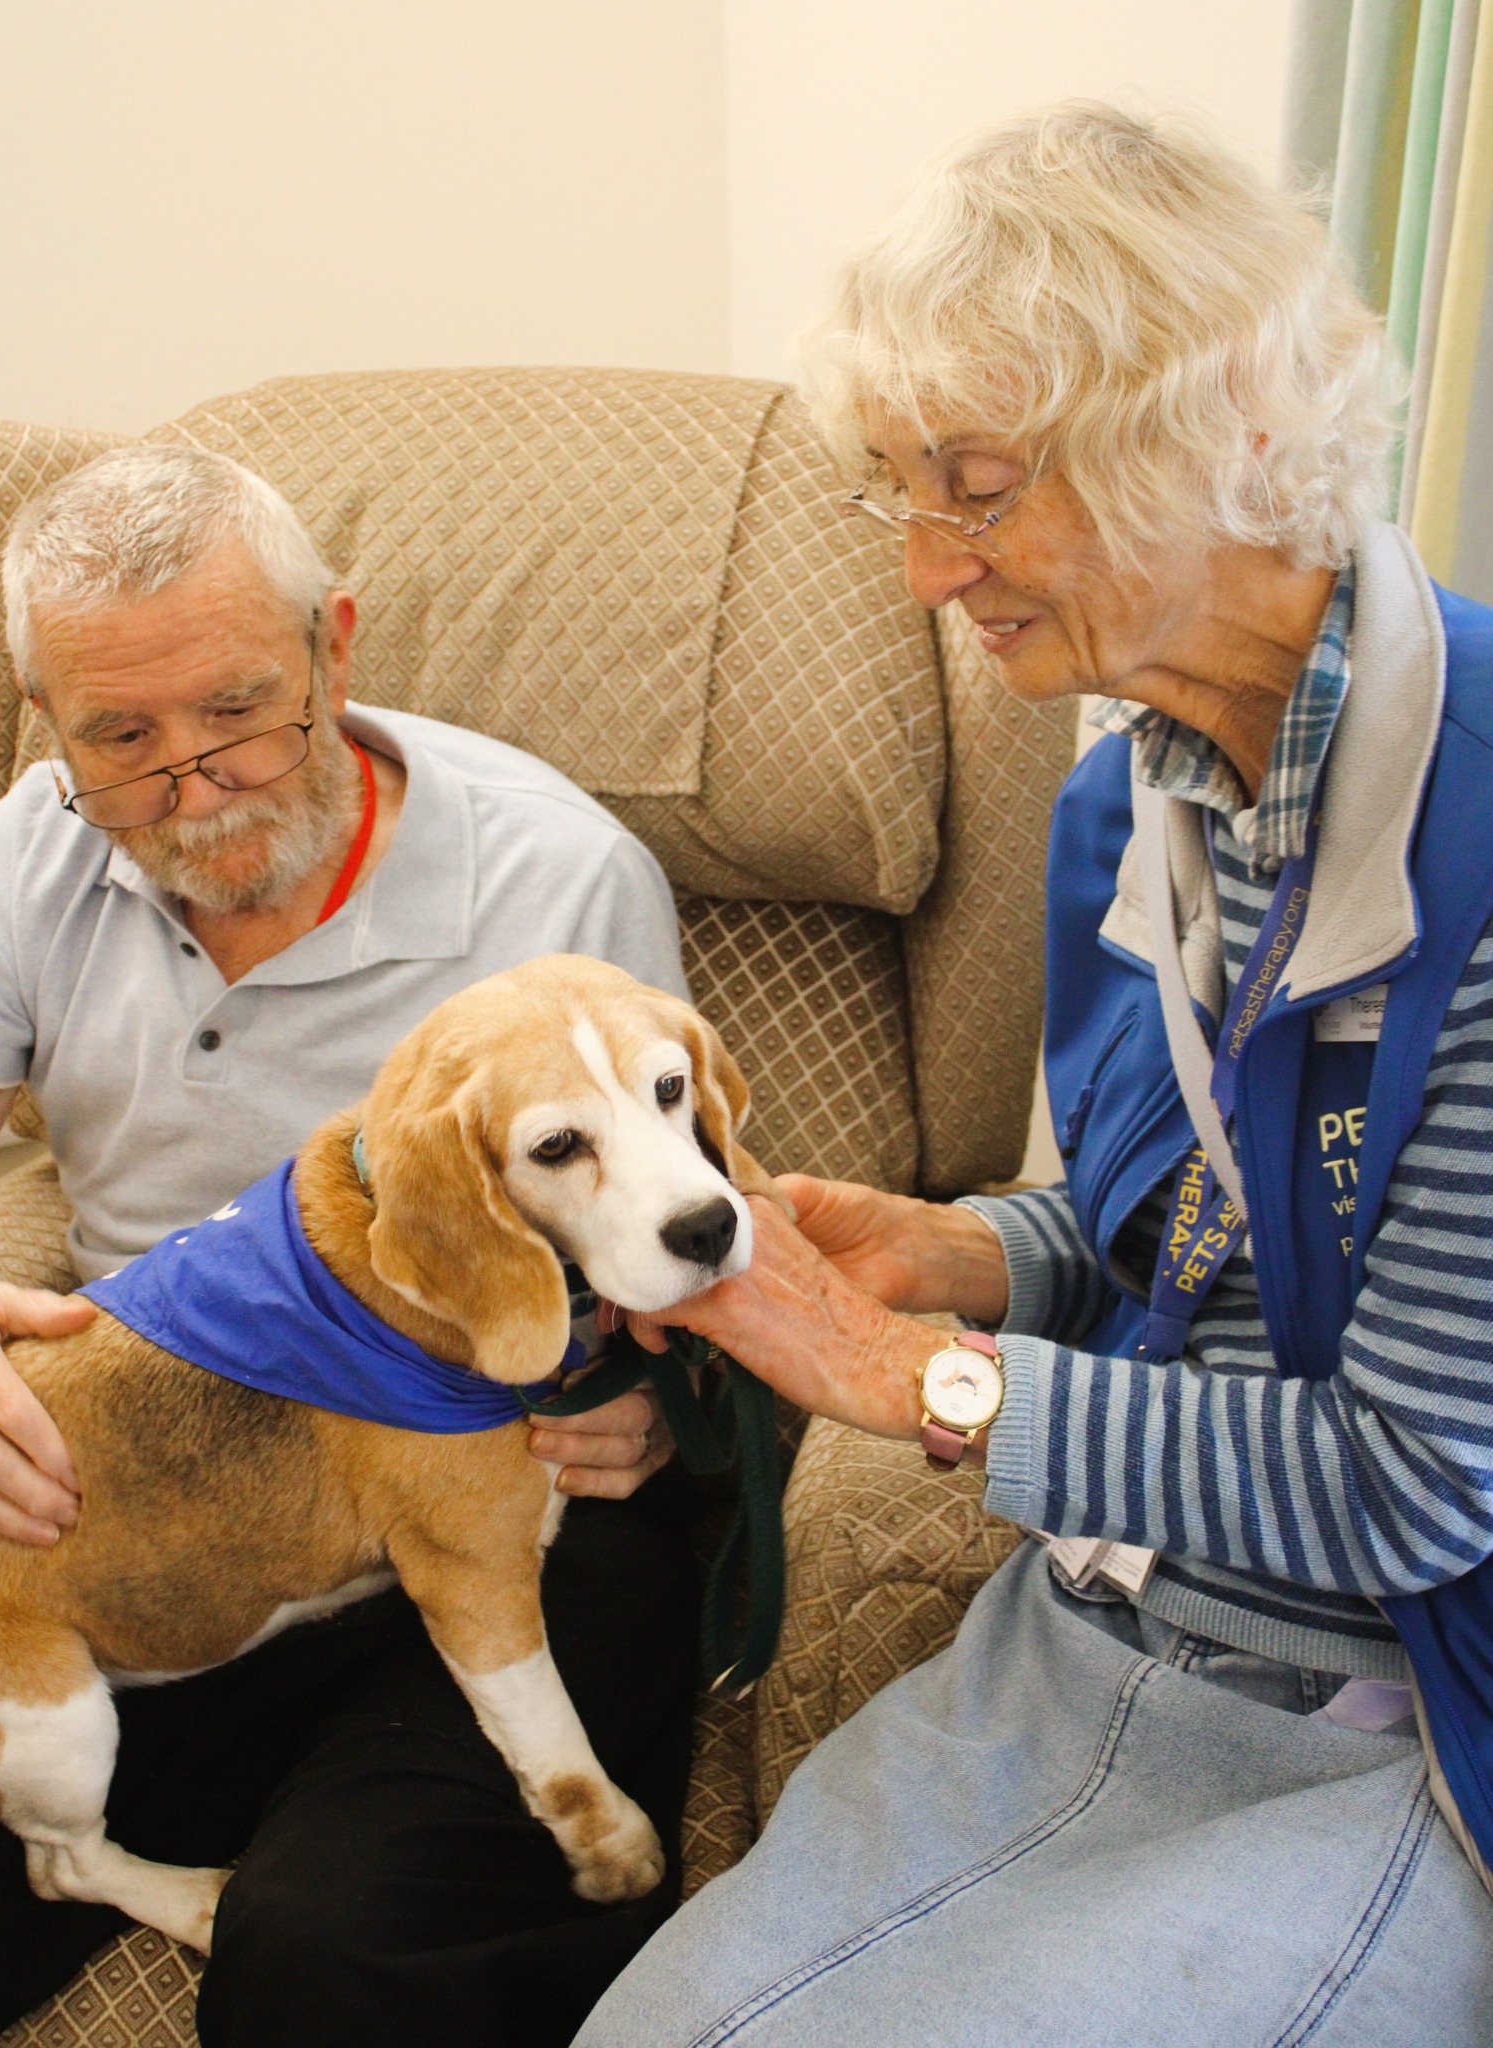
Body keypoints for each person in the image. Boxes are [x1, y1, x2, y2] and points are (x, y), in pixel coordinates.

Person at [576, 105, 1493, 2047]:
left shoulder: (1481, 847)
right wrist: (967, 1255)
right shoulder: (1126, 806)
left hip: (1394, 1723)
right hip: (1084, 1635)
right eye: (900, 495)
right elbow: (1182, 1237)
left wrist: (912, 1373)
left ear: (1219, 433)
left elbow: (1417, 1487)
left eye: (977, 492)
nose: (926, 571)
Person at [0, 444, 697, 2048]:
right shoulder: (22, 858)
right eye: (120, 739)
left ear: (332, 649)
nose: (192, 784)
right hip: (156, 1479)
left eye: (238, 710)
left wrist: (660, 1393)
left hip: (510, 1480)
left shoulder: (555, 881)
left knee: (329, 1966)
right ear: (46, 722)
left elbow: (684, 1234)